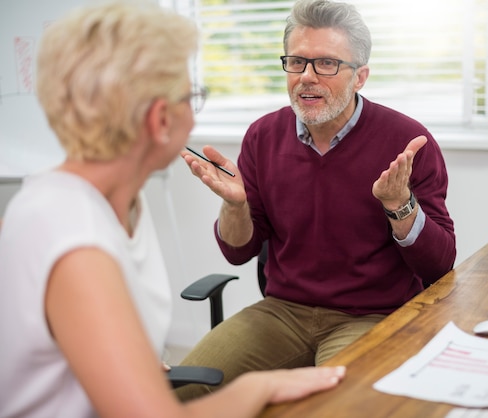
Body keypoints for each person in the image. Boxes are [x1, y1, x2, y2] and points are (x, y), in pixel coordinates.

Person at [0, 2, 346, 417]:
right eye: (191, 97)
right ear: (160, 119)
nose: (192, 115)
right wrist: (261, 384)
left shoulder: (116, 202)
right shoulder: (75, 239)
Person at [177, 0, 455, 400]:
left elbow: (440, 264)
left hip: (369, 316)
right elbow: (239, 253)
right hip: (282, 312)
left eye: (326, 64)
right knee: (181, 390)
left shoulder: (406, 142)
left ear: (360, 76)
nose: (306, 77)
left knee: (339, 408)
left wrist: (401, 205)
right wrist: (235, 206)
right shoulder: (262, 136)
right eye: (296, 62)